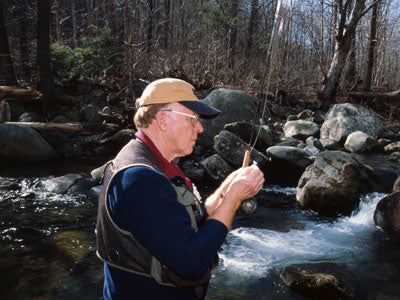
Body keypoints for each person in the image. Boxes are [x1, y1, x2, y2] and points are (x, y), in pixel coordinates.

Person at [96, 78, 265, 300]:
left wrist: (227, 188)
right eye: (193, 119)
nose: (200, 127)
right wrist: (234, 198)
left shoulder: (155, 164)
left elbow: (190, 218)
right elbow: (191, 262)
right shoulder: (139, 179)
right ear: (163, 120)